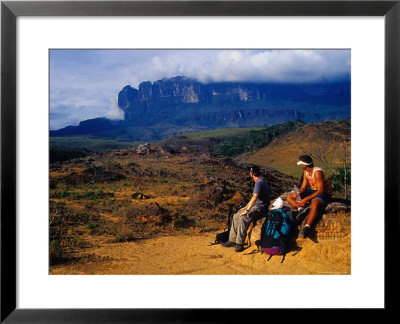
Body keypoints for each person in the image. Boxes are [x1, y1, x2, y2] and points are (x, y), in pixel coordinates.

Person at [222, 165, 270, 252]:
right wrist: (245, 207)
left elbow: (255, 197)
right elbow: (254, 198)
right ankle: (232, 240)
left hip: (260, 208)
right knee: (236, 216)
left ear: (251, 174)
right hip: (258, 205)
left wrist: (247, 210)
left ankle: (239, 244)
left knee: (243, 218)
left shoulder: (259, 182)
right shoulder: (262, 180)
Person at [286, 155, 331, 238]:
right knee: (289, 197)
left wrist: (306, 198)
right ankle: (301, 210)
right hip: (310, 191)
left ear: (304, 165)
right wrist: (298, 193)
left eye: (301, 165)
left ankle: (307, 227)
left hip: (321, 193)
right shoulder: (306, 172)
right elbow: (303, 186)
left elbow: (321, 190)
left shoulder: (317, 172)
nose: (300, 166)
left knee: (315, 203)